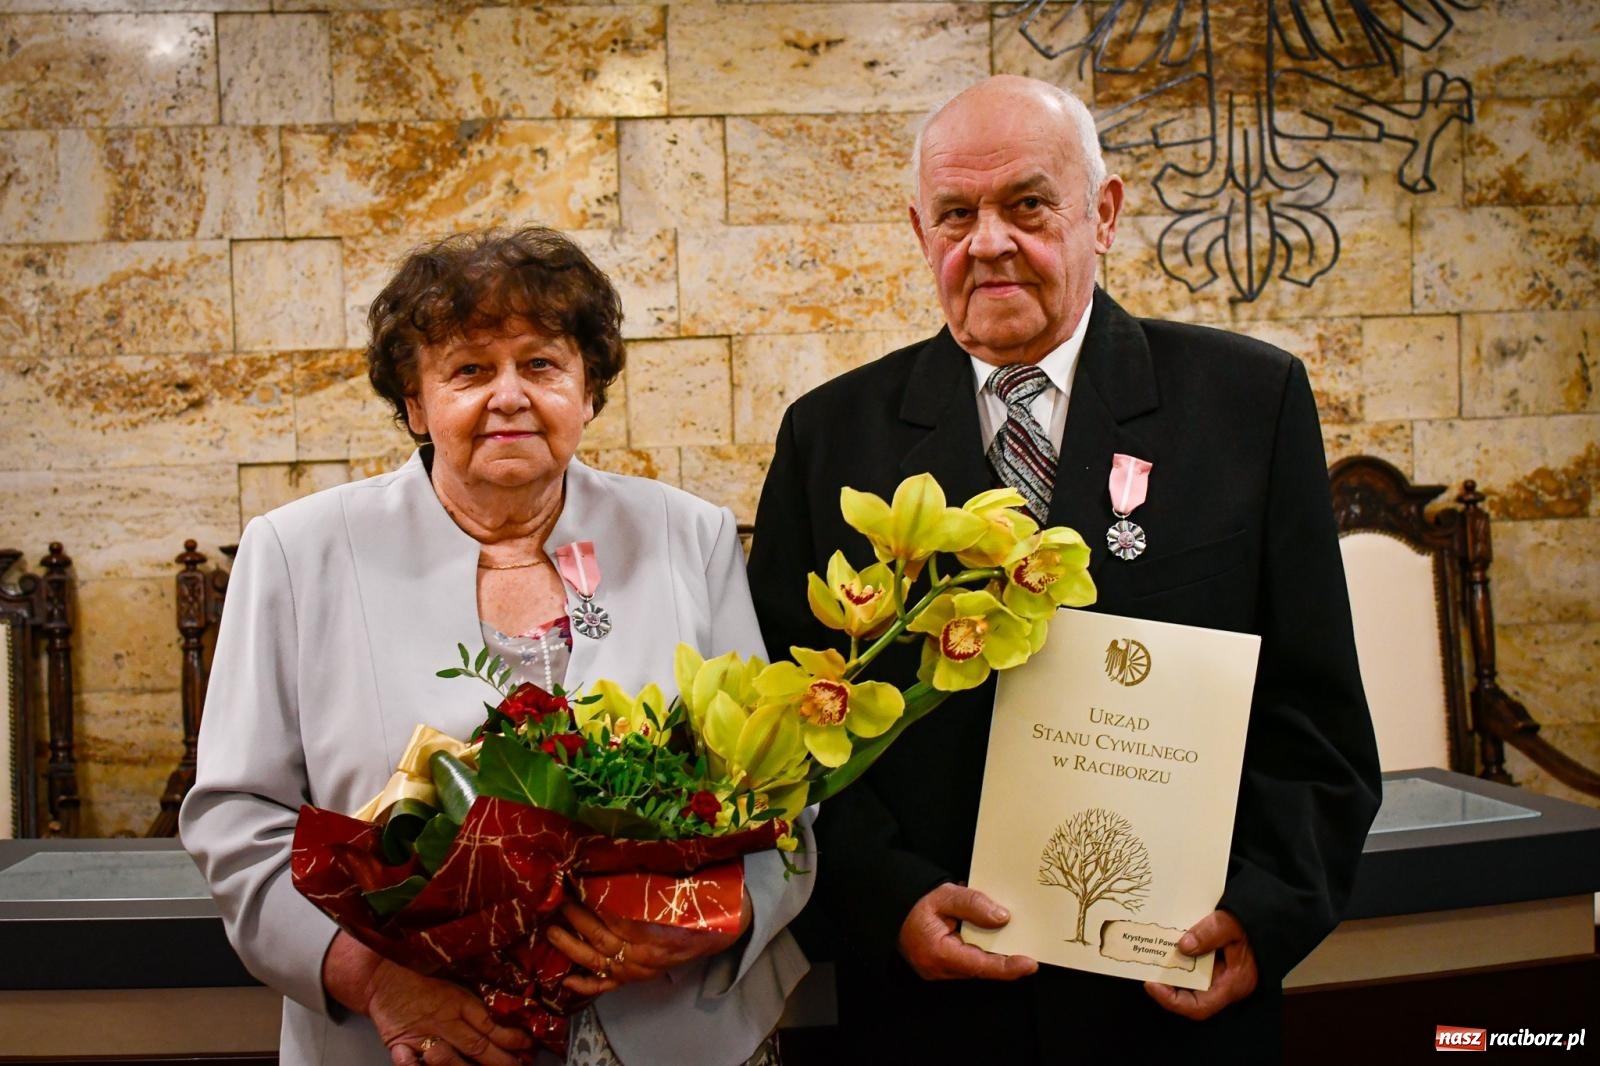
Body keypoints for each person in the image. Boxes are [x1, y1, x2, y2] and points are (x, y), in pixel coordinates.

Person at [747, 75, 1380, 1061]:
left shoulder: (1247, 406)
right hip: (930, 1014)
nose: (988, 241)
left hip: (1171, 1003)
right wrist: (888, 900)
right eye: (956, 213)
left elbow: (1314, 713)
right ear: (920, 231)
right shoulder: (830, 439)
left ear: (1106, 211)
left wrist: (1265, 911)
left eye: (1027, 204)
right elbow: (786, 729)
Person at [182, 227, 813, 1066]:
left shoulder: (686, 536)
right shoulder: (298, 553)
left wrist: (720, 916)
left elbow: (780, 785)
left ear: (589, 391)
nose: (509, 396)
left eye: (542, 365)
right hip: (414, 1041)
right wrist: (372, 979)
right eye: (470, 369)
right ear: (414, 402)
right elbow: (235, 818)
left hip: (673, 1030)